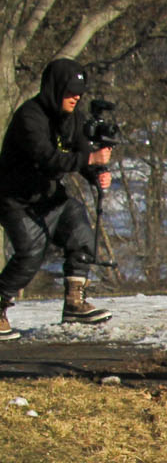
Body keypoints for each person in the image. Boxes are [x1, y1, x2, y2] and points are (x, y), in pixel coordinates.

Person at [0, 58, 113, 338]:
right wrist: (88, 157)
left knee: (81, 233)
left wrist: (97, 172)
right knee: (30, 254)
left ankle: (75, 302)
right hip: (16, 200)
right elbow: (47, 159)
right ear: (54, 89)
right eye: (70, 91)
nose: (76, 97)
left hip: (50, 198)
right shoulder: (30, 117)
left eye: (79, 92)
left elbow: (83, 154)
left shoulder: (73, 119)